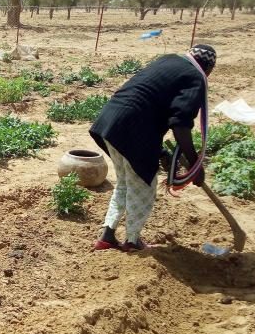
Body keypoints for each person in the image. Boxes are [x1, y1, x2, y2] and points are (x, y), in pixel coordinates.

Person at [90, 44, 217, 251]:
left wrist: (161, 153)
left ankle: (107, 236)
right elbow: (180, 123)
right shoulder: (196, 76)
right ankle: (132, 241)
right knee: (143, 187)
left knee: (124, 183)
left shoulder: (168, 60)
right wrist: (195, 166)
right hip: (134, 130)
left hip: (111, 122)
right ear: (208, 69)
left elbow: (150, 102)